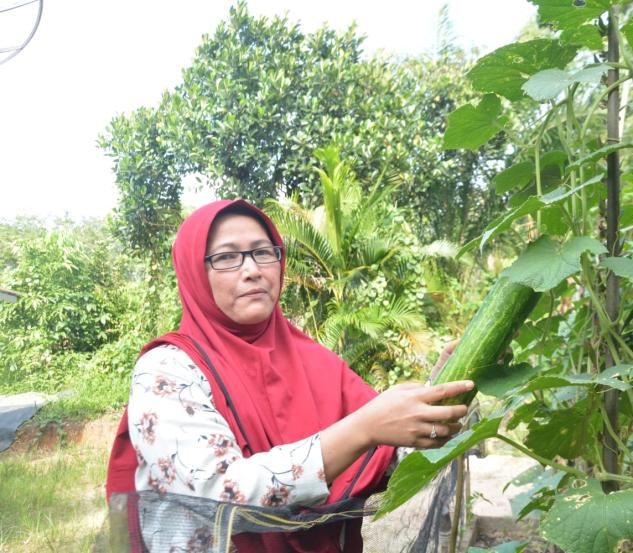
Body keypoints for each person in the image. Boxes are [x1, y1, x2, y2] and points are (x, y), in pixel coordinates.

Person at [105, 199, 472, 552]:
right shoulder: (167, 371)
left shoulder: (314, 361)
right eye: (227, 257)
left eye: (263, 252)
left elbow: (387, 450)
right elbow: (221, 491)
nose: (252, 269)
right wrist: (363, 428)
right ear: (194, 273)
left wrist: (440, 392)